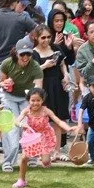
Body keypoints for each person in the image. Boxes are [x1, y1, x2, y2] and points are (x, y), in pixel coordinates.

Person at [0, 37, 44, 173]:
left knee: (29, 125)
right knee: (12, 129)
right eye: (22, 54)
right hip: (9, 96)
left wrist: (35, 105)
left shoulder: (35, 66)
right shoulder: (7, 63)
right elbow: (1, 82)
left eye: (28, 54)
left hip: (26, 97)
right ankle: (8, 162)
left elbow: (38, 89)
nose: (25, 57)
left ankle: (32, 156)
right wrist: (5, 83)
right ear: (16, 53)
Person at [11, 88, 73, 188]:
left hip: (44, 137)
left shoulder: (46, 111)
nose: (35, 103)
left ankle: (45, 159)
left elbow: (58, 121)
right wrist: (22, 124)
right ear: (28, 100)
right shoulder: (27, 111)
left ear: (42, 100)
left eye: (38, 100)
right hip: (31, 136)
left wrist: (68, 128)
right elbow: (16, 121)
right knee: (24, 158)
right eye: (33, 100)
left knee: (45, 161)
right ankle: (21, 180)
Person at [31, 24, 71, 155]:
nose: (46, 40)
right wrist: (44, 65)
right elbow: (32, 71)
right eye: (43, 37)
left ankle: (56, 150)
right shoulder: (34, 53)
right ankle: (43, 150)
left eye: (48, 37)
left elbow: (63, 64)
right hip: (44, 86)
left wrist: (66, 75)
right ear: (36, 38)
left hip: (58, 85)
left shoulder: (55, 48)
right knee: (43, 119)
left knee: (57, 118)